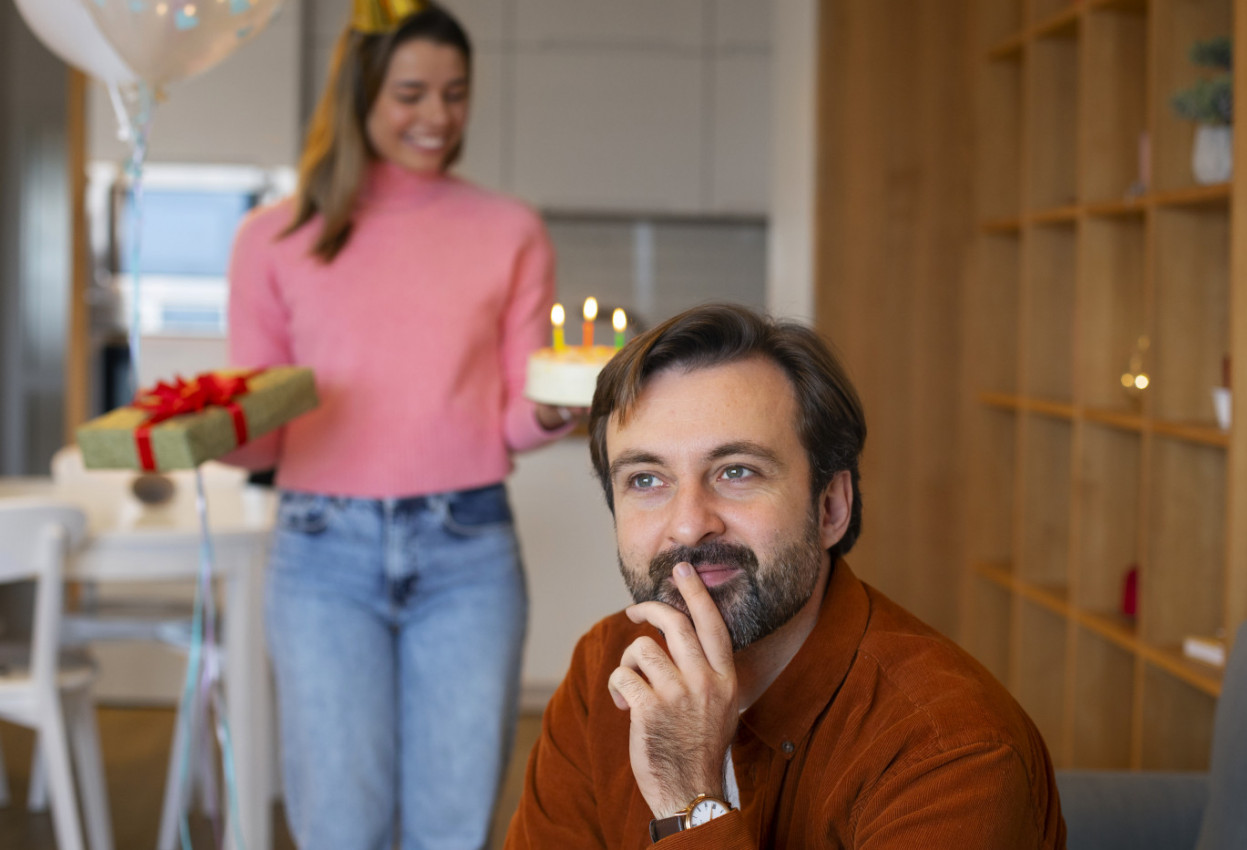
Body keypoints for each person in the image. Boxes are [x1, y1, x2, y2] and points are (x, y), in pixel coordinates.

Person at [504, 304, 1066, 848]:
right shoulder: (606, 670)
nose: (689, 525)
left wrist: (689, 802)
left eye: (737, 471)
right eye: (646, 480)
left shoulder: (953, 749)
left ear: (830, 508)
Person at [224, 2, 578, 848]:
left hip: (467, 549)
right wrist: (213, 432)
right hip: (321, 554)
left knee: (451, 829)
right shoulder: (272, 238)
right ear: (361, 94)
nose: (438, 117)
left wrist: (553, 408)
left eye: (455, 93)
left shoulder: (510, 230)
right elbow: (264, 429)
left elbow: (511, 414)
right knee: (339, 827)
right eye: (411, 93)